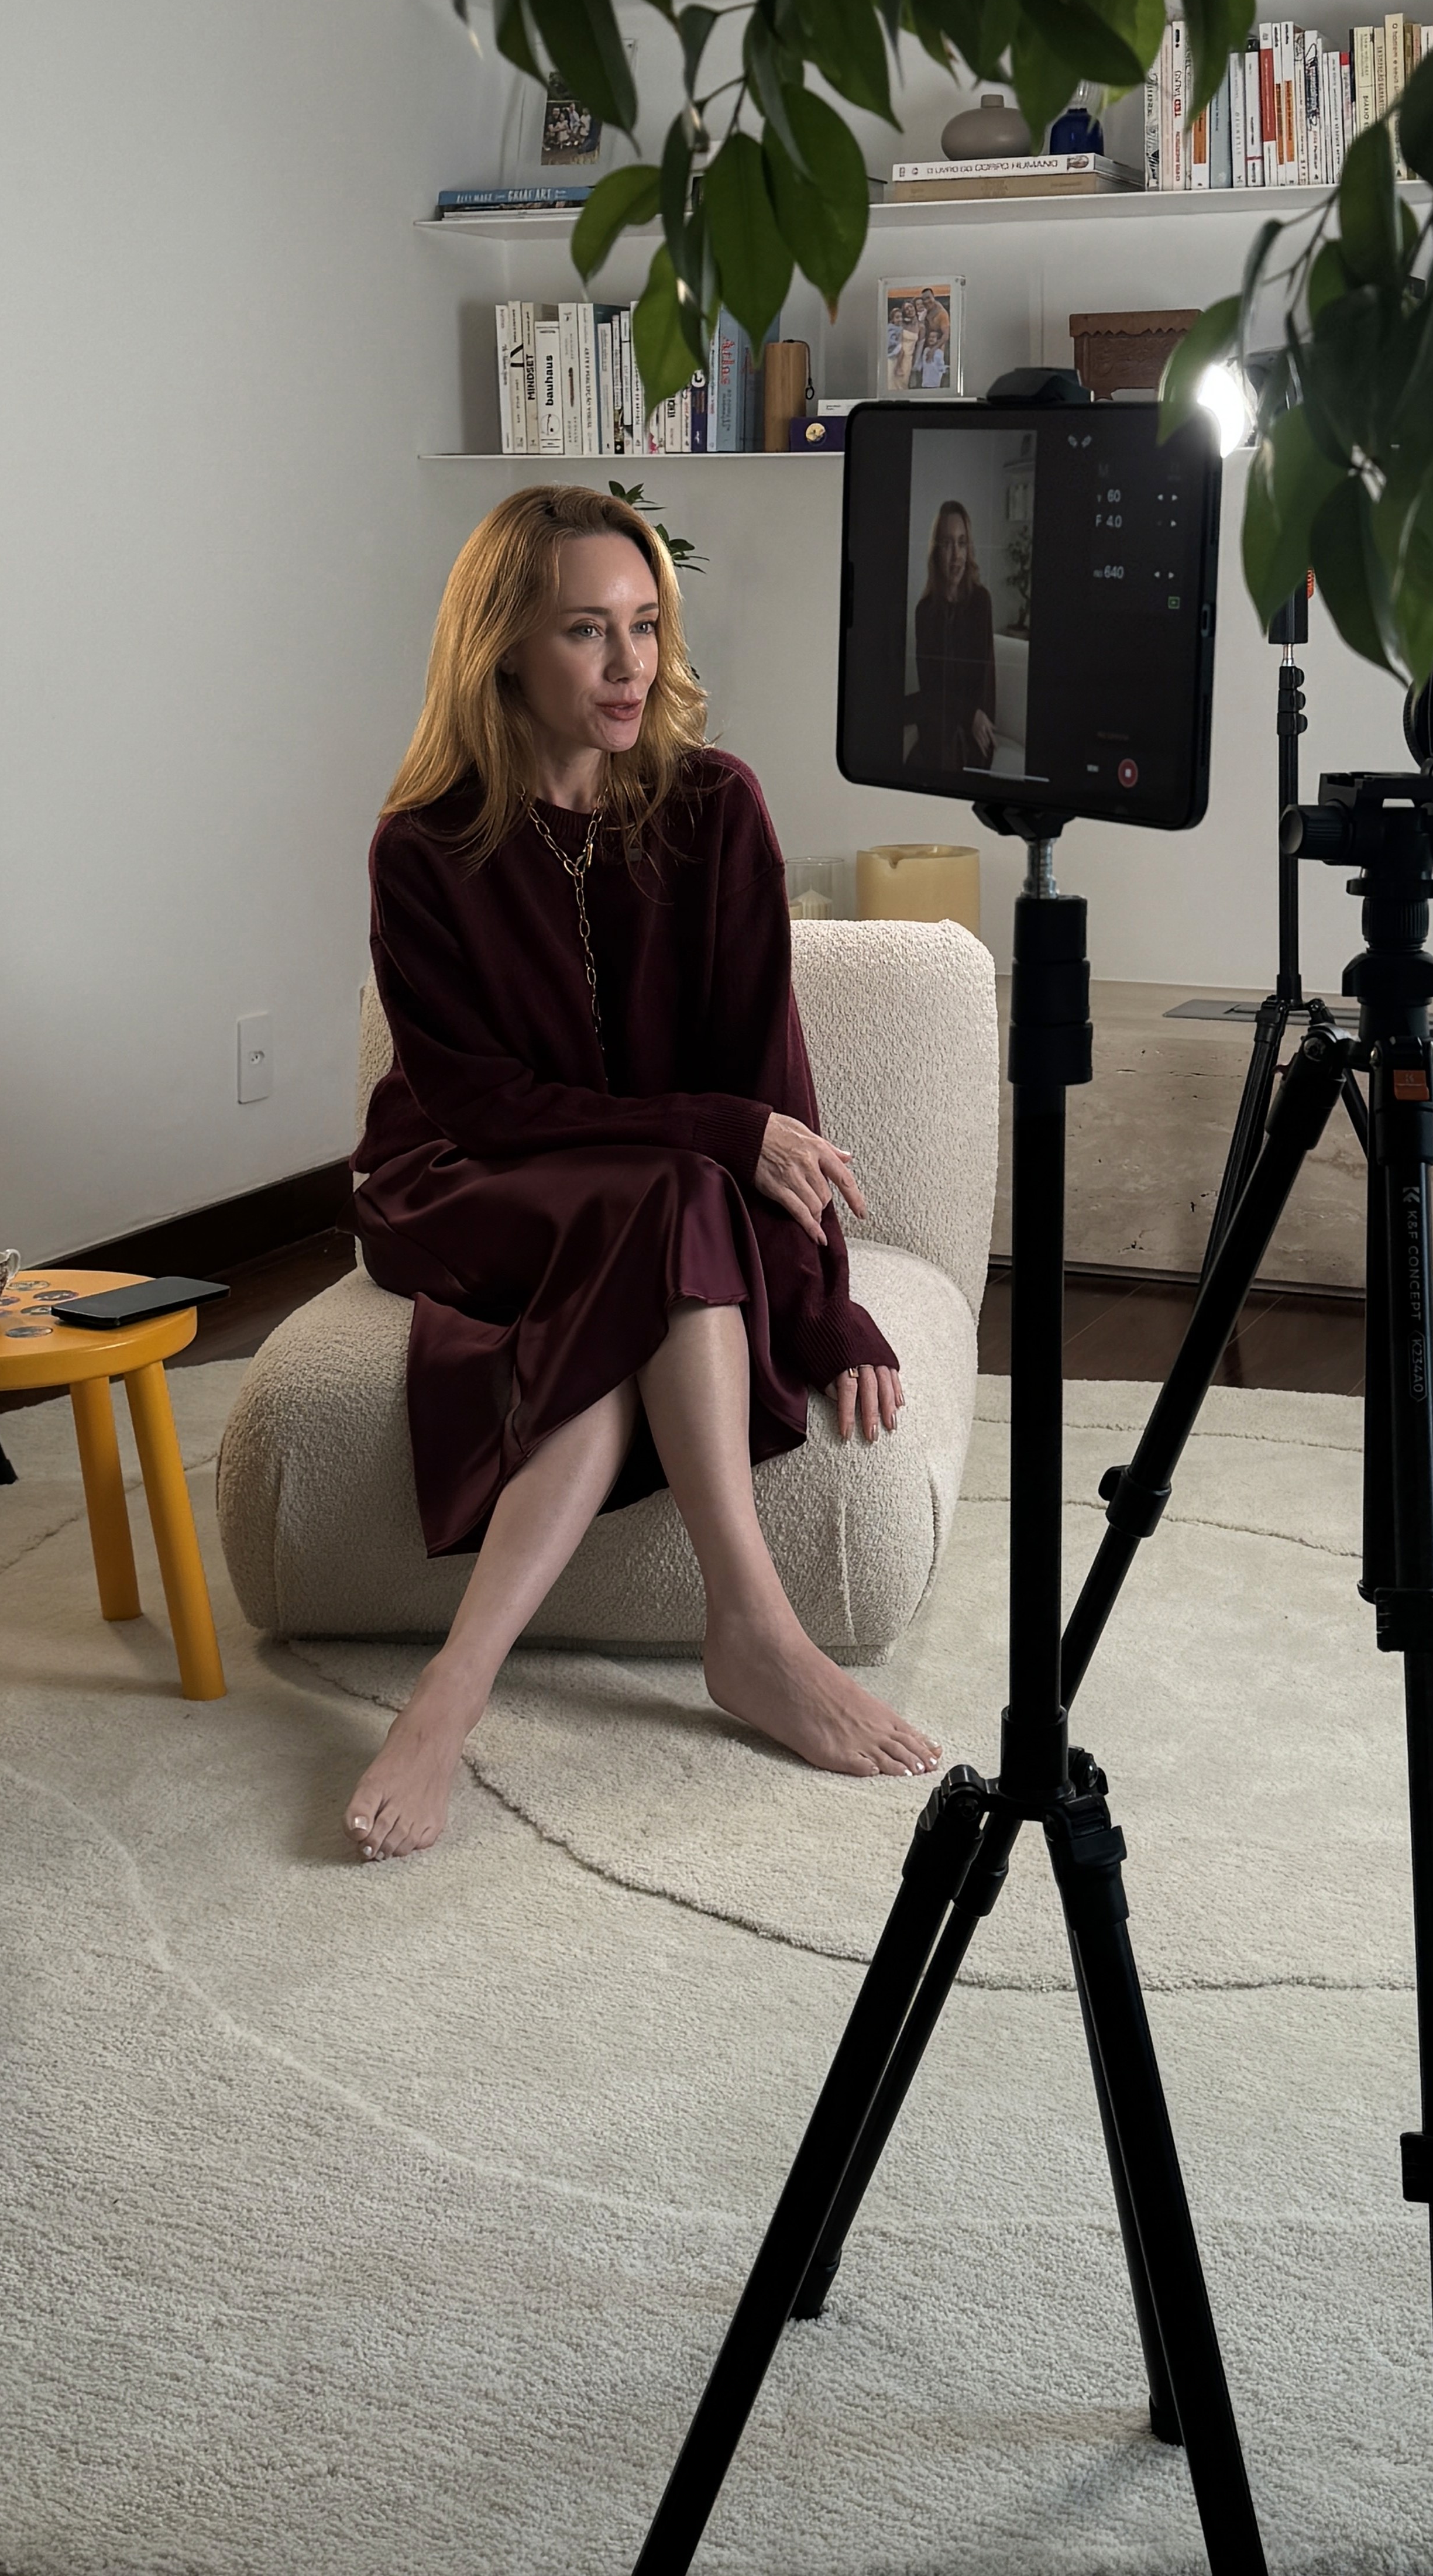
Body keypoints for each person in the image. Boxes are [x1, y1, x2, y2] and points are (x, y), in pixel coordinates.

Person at [345, 486, 941, 1861]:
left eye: (646, 625)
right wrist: (718, 1134)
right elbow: (484, 1109)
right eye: (585, 631)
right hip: (460, 1178)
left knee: (669, 1210)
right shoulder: (424, 845)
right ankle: (754, 1630)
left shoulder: (715, 809)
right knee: (676, 1194)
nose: (630, 666)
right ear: (503, 646)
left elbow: (771, 1089)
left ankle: (459, 1687)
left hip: (645, 1206)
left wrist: (822, 1309)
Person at [910, 498, 998, 779]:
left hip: (975, 726)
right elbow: (931, 688)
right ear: (937, 551)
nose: (956, 555)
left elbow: (985, 680)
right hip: (942, 719)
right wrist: (967, 713)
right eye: (948, 544)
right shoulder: (925, 612)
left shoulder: (981, 601)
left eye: (962, 543)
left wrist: (974, 717)